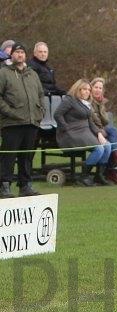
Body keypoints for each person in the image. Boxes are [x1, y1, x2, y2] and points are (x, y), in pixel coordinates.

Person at [0, 42, 44, 198]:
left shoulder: (33, 74)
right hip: (11, 123)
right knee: (8, 157)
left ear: (25, 55)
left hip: (31, 122)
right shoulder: (3, 73)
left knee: (27, 157)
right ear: (11, 55)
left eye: (22, 52)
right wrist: (10, 112)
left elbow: (40, 94)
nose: (20, 55)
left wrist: (40, 112)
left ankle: (25, 185)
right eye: (17, 52)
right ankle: (4, 186)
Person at [54, 79, 112, 186]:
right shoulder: (69, 100)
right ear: (78, 89)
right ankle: (83, 176)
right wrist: (66, 128)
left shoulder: (85, 103)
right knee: (99, 149)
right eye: (84, 89)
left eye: (89, 90)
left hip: (85, 132)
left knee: (107, 146)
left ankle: (99, 175)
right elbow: (57, 114)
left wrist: (99, 133)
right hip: (71, 134)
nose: (87, 92)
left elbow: (90, 122)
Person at [90, 77, 117, 184]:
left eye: (100, 88)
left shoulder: (100, 102)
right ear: (91, 88)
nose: (98, 90)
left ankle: (113, 167)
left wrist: (101, 105)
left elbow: (105, 120)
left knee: (113, 131)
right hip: (92, 130)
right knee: (112, 130)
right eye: (96, 87)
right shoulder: (88, 102)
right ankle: (115, 161)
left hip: (101, 128)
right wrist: (101, 129)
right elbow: (94, 121)